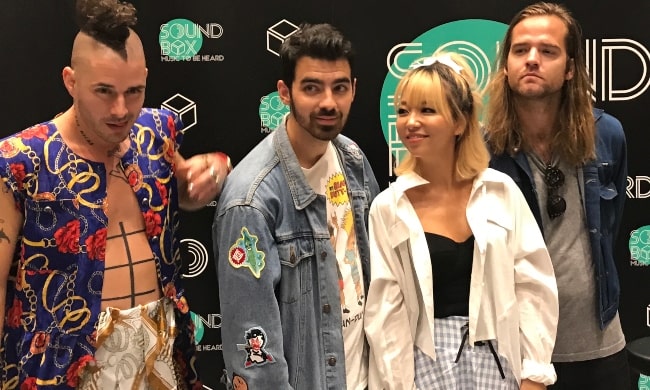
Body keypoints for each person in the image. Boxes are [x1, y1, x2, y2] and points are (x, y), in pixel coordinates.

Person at [0, 0, 231, 388]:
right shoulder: (22, 160)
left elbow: (179, 195)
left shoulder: (157, 131)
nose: (121, 109)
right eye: (104, 91)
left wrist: (200, 181)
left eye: (134, 91)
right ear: (71, 81)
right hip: (65, 364)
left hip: (160, 348)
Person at [364, 52, 559, 390]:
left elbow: (533, 285)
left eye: (427, 110)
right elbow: (386, 312)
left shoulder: (502, 193)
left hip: (498, 361)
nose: (411, 122)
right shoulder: (389, 207)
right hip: (422, 367)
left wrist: (534, 374)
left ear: (460, 122)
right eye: (403, 110)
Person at [213, 22, 380, 390]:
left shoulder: (352, 159)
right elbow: (253, 354)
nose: (328, 102)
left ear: (353, 90)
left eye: (339, 88)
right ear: (284, 93)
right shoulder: (251, 200)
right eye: (311, 88)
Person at [484, 2, 631, 389]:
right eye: (521, 50)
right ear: (505, 66)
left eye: (547, 51)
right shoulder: (482, 152)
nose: (532, 59)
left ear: (569, 69)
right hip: (517, 356)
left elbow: (612, 227)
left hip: (601, 346)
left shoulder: (608, 135)